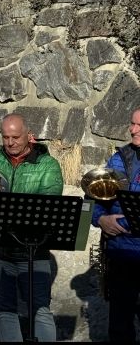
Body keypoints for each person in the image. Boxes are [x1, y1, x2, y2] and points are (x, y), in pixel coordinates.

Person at [0, 112, 63, 342]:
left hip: (34, 251)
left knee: (40, 310)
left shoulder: (48, 165)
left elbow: (49, 204)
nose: (10, 143)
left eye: (16, 137)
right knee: (5, 310)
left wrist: (5, 211)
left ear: (29, 136)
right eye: (5, 137)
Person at [91, 106, 140, 342]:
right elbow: (93, 197)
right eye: (132, 124)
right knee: (119, 327)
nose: (132, 130)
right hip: (121, 253)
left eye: (139, 126)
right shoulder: (119, 158)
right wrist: (100, 218)